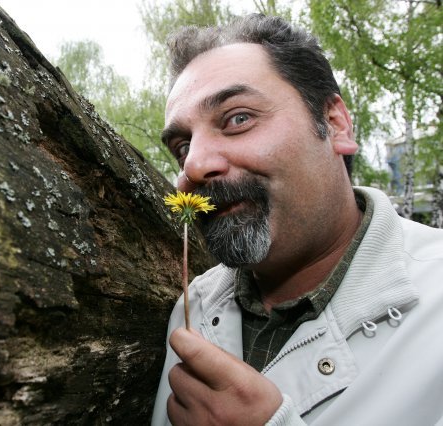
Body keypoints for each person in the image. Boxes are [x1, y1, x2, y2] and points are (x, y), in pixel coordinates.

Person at [151, 13, 443, 426]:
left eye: (237, 118)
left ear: (335, 124)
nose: (193, 166)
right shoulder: (192, 305)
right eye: (182, 146)